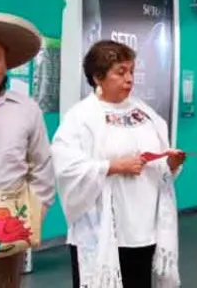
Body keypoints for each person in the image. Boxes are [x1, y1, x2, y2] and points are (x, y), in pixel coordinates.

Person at [52, 40, 184, 287]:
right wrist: (113, 167)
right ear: (98, 77)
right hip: (104, 228)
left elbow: (160, 165)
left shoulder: (146, 114)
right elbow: (66, 167)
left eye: (131, 71)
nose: (129, 79)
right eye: (120, 72)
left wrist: (171, 163)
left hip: (145, 227)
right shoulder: (81, 118)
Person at [0, 13, 56, 288]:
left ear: (7, 65)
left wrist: (32, 214)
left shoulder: (26, 109)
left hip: (6, 222)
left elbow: (43, 166)